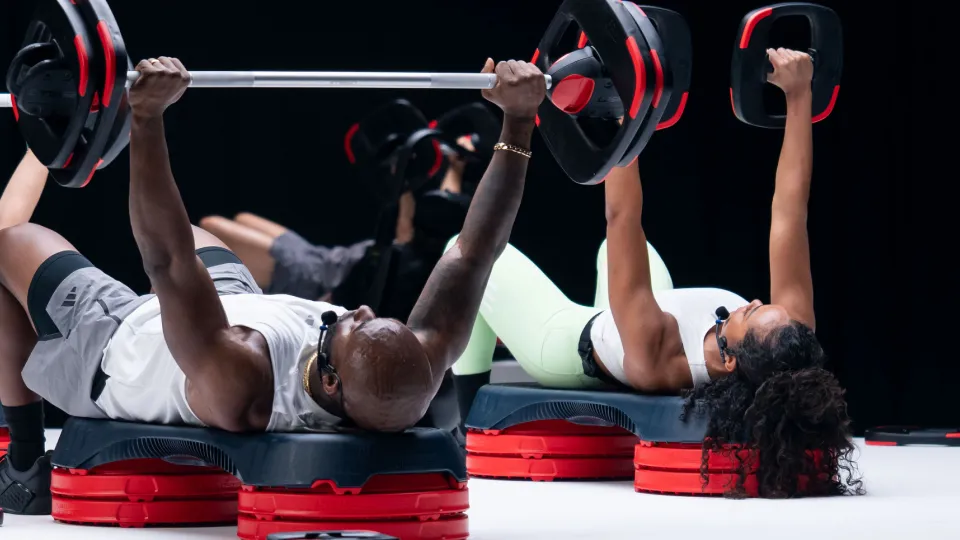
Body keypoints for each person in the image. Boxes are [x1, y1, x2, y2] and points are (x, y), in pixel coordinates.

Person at [0, 55, 546, 514]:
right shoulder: (409, 372)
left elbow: (167, 261)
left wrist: (146, 119)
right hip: (237, 305)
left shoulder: (244, 378)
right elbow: (476, 252)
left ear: (330, 384)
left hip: (118, 340)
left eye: (353, 324)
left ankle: (24, 467)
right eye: (375, 316)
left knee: (9, 240)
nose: (357, 307)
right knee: (194, 232)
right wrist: (518, 123)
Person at [450, 48, 863, 498]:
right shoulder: (787, 335)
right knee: (624, 252)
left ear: (728, 361)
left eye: (748, 314)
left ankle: (466, 420)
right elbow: (789, 211)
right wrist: (799, 97)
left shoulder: (659, 354)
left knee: (469, 253)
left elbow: (622, 214)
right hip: (631, 313)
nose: (758, 302)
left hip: (570, 342)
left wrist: (627, 103)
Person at [196, 135, 475, 317]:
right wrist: (456, 167)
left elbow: (414, 221)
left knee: (211, 226)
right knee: (242, 218)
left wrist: (401, 178)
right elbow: (447, 204)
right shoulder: (435, 232)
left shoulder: (409, 252)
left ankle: (241, 304)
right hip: (327, 257)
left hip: (316, 277)